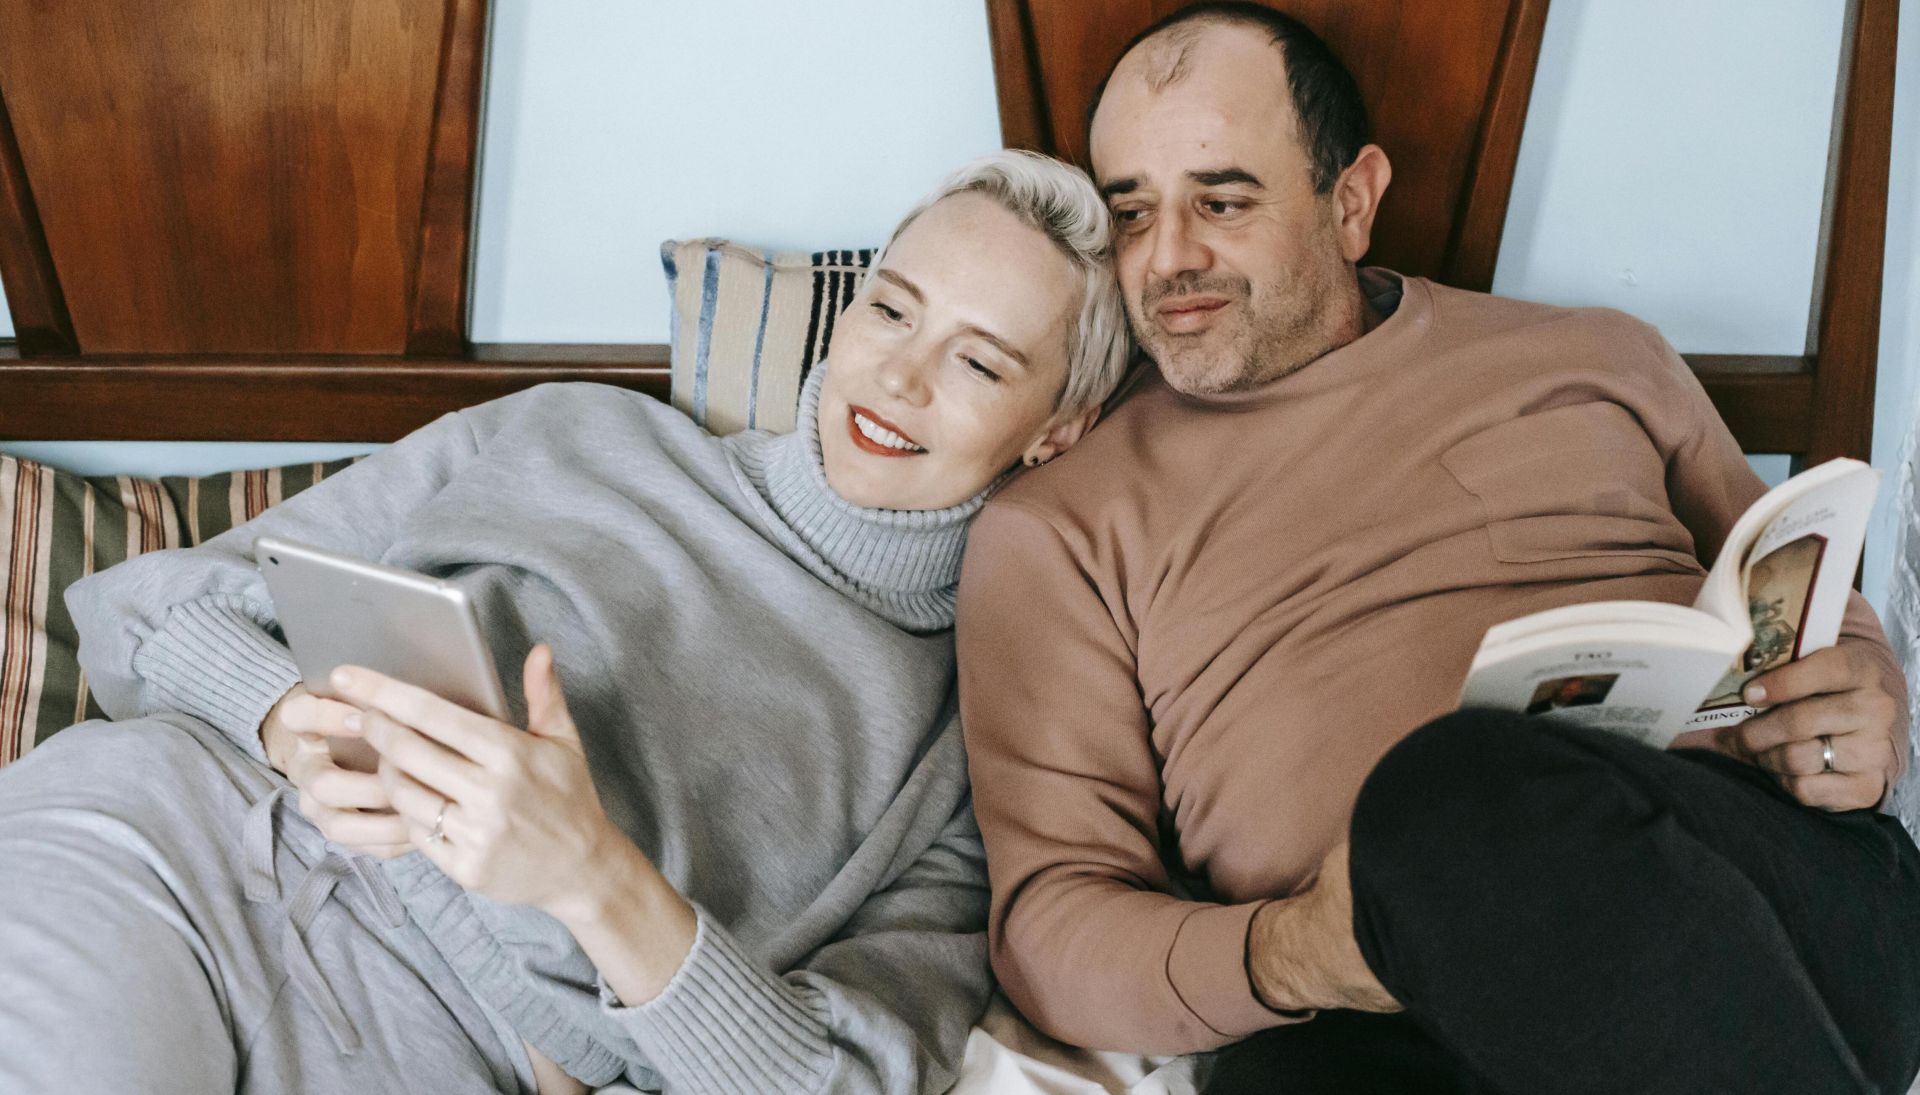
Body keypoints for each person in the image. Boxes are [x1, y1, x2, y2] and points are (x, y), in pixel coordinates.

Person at [0, 149, 1130, 1094]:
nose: (900, 375)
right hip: (180, 834)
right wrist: (279, 715)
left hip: (438, 1042)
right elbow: (129, 606)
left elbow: (840, 1077)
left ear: (1057, 431)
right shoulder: (576, 430)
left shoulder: (963, 744)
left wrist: (595, 880)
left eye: (979, 360)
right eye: (892, 308)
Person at [955, 6, 1920, 1093]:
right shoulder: (1054, 526)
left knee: (1446, 788)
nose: (1168, 259)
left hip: (1750, 887)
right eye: (1132, 212)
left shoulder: (1597, 355)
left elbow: (1799, 579)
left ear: (1352, 200)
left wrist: (1863, 695)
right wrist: (1292, 952)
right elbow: (1050, 929)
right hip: (1383, 1005)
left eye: (1221, 201)